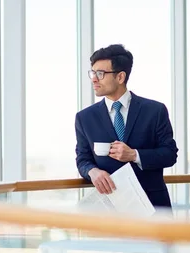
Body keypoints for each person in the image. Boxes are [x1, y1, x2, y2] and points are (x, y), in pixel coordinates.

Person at [75, 44, 178, 208]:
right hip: (109, 210)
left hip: (153, 207)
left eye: (100, 73)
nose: (94, 78)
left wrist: (134, 155)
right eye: (93, 73)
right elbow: (83, 159)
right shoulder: (85, 118)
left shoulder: (155, 110)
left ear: (120, 77)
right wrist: (92, 171)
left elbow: (170, 154)